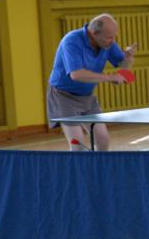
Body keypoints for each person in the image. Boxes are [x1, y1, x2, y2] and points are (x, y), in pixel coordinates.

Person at [47, 13, 137, 151]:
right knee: (78, 145)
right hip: (63, 96)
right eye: (109, 37)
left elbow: (122, 66)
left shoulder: (107, 43)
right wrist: (110, 77)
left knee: (102, 140)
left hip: (87, 97)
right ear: (94, 33)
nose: (112, 41)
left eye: (114, 37)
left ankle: (98, 165)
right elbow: (76, 74)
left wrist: (128, 59)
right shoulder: (71, 41)